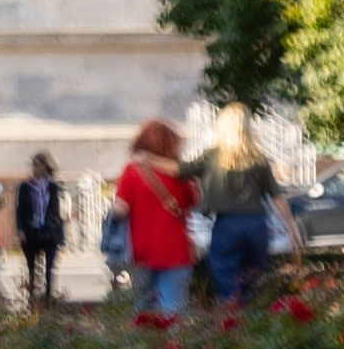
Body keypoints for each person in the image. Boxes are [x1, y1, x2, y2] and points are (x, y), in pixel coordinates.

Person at [194, 105, 296, 312]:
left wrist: (149, 160)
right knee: (253, 281)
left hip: (227, 225)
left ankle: (232, 326)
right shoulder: (258, 158)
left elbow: (179, 170)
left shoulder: (212, 156)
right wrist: (291, 226)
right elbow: (276, 196)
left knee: (226, 282)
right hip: (257, 224)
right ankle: (253, 327)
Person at [115, 119, 199, 320]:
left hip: (142, 251)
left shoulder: (132, 171)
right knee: (173, 311)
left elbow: (119, 210)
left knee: (143, 309)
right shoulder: (181, 173)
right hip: (177, 250)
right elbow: (196, 201)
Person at [14, 154, 64, 308]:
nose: (36, 168)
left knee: (49, 268)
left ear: (45, 167)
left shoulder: (52, 187)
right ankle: (32, 298)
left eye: (39, 165)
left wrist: (60, 235)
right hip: (31, 232)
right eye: (34, 164)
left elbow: (56, 211)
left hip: (49, 232)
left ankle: (48, 298)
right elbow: (20, 210)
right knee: (32, 267)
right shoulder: (25, 186)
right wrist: (21, 230)